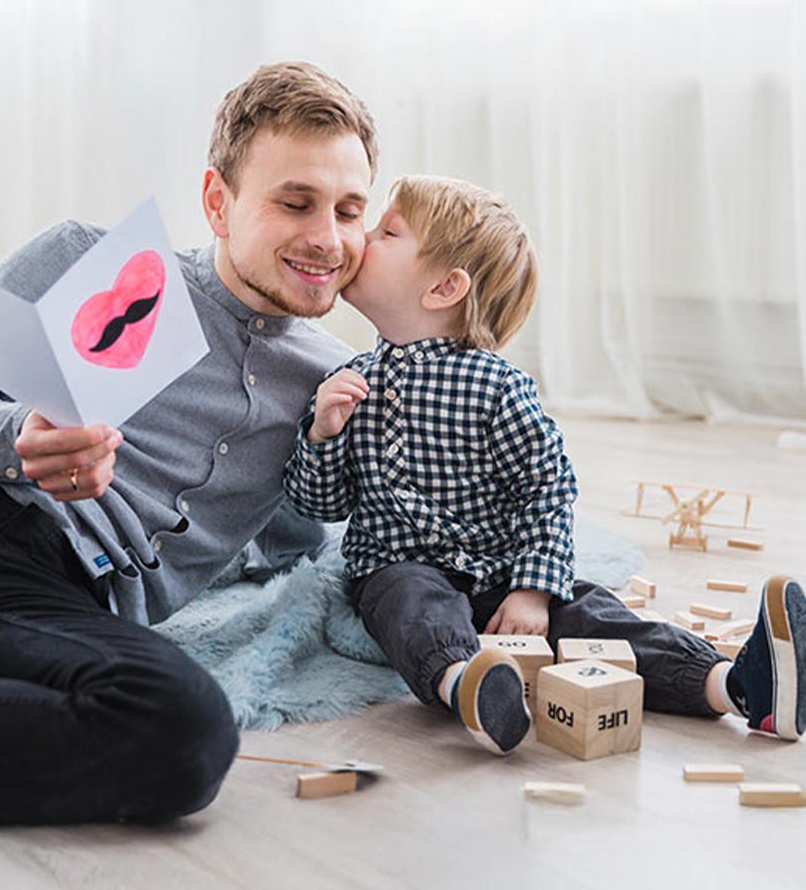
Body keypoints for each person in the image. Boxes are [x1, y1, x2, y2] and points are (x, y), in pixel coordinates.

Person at [0, 61, 377, 824]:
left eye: (349, 211)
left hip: (53, 599)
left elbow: (314, 536)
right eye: (295, 203)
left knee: (183, 733)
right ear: (218, 201)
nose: (327, 238)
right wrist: (9, 436)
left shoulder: (337, 384)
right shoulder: (85, 257)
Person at [283, 174, 806, 755]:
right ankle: (469, 686)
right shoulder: (350, 382)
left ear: (444, 287)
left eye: (388, 232)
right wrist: (322, 434)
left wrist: (533, 590)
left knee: (594, 616)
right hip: (399, 566)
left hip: (502, 572)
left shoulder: (498, 387)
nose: (362, 238)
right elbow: (320, 505)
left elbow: (547, 490)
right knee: (408, 603)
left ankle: (737, 687)